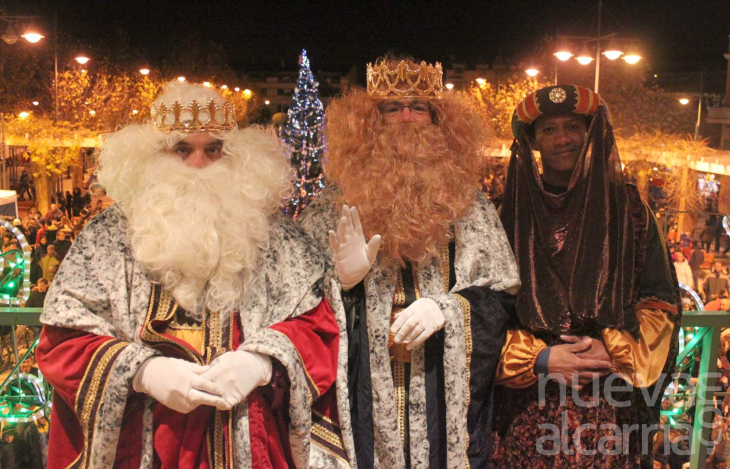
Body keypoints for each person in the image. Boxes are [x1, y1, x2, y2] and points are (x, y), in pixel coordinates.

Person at [36, 80, 348, 469]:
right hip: (147, 444)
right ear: (152, 155)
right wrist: (143, 371)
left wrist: (262, 362)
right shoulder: (108, 236)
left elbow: (316, 324)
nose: (198, 164)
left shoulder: (275, 236)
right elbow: (62, 340)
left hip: (250, 440)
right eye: (182, 149)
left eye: (213, 149)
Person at [299, 56, 520, 468]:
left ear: (439, 121)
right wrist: (341, 285)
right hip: (360, 398)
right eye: (391, 107)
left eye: (419, 107)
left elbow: (500, 293)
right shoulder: (332, 203)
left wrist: (447, 309)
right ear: (369, 119)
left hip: (439, 391)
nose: (406, 117)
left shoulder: (469, 204)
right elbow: (294, 306)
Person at [493, 84, 681, 467]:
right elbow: (482, 314)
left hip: (612, 400)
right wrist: (540, 359)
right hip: (528, 400)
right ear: (533, 140)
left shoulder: (631, 210)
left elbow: (659, 303)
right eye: (549, 129)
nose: (562, 139)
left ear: (590, 133)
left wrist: (614, 350)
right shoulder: (505, 214)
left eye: (572, 127)